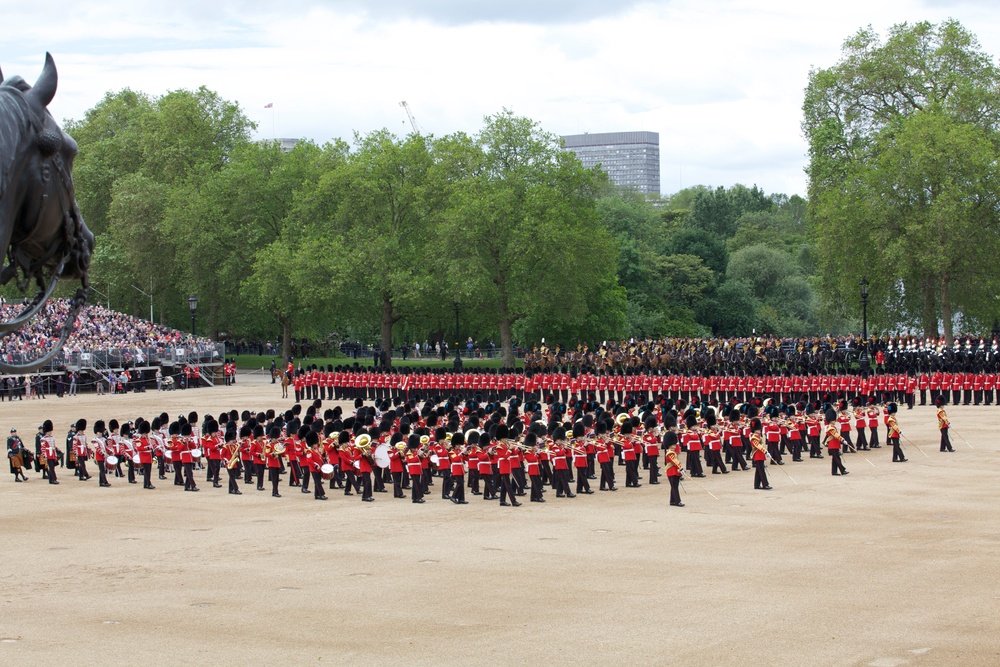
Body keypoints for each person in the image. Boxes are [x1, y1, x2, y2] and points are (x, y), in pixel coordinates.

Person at [822, 409, 849, 476]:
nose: (835, 421)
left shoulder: (832, 427)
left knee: (835, 459)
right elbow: (835, 435)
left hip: (835, 444)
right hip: (833, 444)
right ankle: (842, 470)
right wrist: (842, 440)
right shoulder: (830, 428)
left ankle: (834, 472)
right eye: (834, 420)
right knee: (837, 458)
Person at [749, 418, 771, 490]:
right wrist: (765, 451)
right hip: (758, 455)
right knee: (761, 470)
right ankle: (765, 484)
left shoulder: (758, 436)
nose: (759, 431)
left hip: (760, 455)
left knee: (758, 470)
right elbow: (758, 446)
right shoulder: (754, 437)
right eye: (758, 430)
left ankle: (757, 485)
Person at [664, 438, 684, 507]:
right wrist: (681, 468)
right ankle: (677, 501)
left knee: (674, 486)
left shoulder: (672, 451)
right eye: (673, 444)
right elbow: (675, 461)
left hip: (674, 470)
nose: (675, 444)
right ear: (669, 445)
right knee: (675, 487)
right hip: (672, 471)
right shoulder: (670, 453)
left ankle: (672, 500)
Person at [40, 420, 59, 484]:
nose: (50, 433)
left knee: (52, 467)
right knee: (51, 467)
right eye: (49, 431)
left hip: (52, 454)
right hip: (48, 454)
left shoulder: (52, 438)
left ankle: (51, 480)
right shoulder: (43, 439)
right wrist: (44, 456)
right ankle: (54, 479)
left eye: (50, 431)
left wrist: (55, 455)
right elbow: (43, 448)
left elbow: (54, 447)